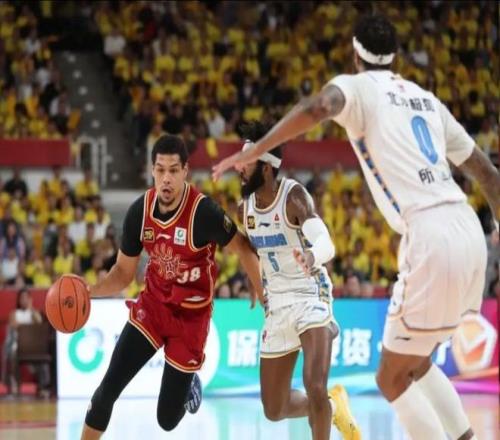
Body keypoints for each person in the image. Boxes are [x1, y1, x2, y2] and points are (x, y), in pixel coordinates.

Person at [212, 15, 500, 440]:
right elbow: (489, 175)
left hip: (427, 235)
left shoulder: (357, 88)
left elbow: (315, 109)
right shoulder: (426, 99)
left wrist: (260, 147)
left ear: (354, 54)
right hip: (468, 228)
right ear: (395, 56)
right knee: (416, 362)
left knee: (391, 377)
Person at [81, 135, 262, 439]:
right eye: (161, 170)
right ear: (152, 171)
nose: (166, 178)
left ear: (185, 171)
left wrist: (258, 285)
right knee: (106, 390)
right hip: (154, 307)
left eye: (174, 170)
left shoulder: (203, 212)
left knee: (166, 420)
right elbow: (123, 273)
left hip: (191, 317)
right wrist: (90, 291)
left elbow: (242, 246)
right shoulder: (140, 212)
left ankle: (189, 383)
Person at [237, 121, 360, 440]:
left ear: (266, 168)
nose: (239, 167)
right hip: (277, 303)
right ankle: (330, 405)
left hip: (309, 294)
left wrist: (311, 256)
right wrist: (254, 281)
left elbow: (326, 243)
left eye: (247, 162)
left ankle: (322, 402)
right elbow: (251, 248)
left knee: (314, 384)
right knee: (274, 408)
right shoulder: (244, 209)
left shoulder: (293, 197)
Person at [1, 288, 50, 397]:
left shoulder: (34, 313)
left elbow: (39, 322)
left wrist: (31, 309)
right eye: (22, 298)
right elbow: (14, 325)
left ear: (30, 299)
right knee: (12, 352)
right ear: (18, 300)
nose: (24, 300)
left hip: (32, 346)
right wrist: (26, 327)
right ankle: (14, 383)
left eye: (26, 298)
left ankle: (43, 386)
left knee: (43, 353)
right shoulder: (14, 313)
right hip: (17, 344)